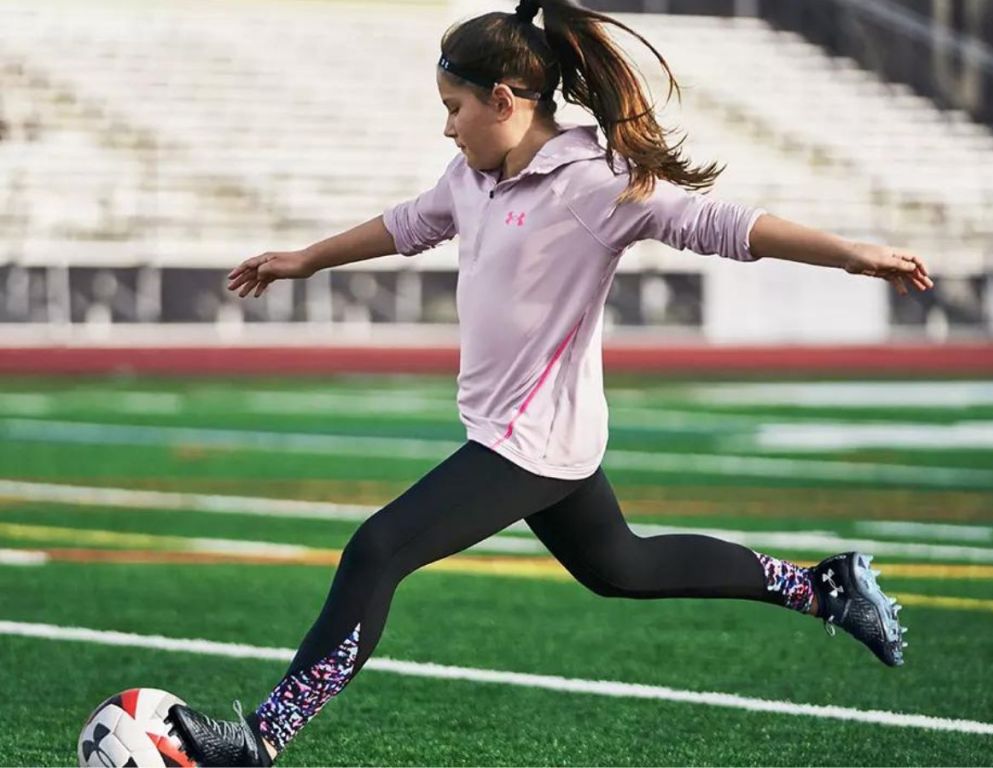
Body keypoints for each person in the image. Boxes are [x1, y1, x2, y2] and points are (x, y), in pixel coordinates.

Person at [167, 1, 932, 764]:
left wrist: (851, 254)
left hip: (530, 442)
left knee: (377, 550)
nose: (447, 127)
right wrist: (305, 259)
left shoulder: (595, 185)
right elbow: (409, 222)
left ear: (505, 101)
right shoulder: (472, 176)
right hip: (523, 433)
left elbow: (723, 224)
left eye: (454, 108)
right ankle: (823, 589)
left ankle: (261, 740)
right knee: (622, 568)